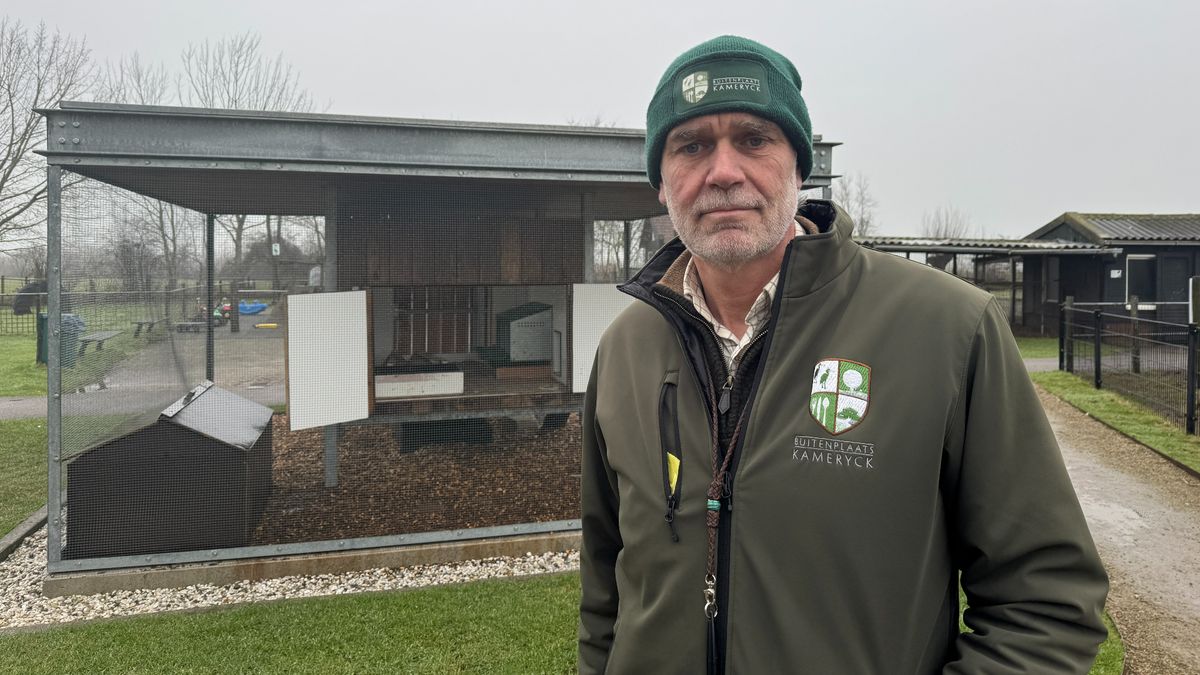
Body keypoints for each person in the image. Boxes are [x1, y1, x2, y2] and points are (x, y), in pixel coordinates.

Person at [578, 35, 1108, 674]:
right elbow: (606, 587)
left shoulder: (946, 328)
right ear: (661, 184)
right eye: (690, 146)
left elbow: (1046, 605)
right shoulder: (626, 349)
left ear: (797, 170)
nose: (722, 171)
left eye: (753, 139)